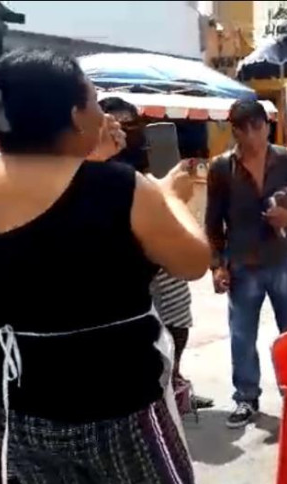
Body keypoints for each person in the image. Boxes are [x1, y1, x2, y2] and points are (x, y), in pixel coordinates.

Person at [0, 48, 208, 484]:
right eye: (93, 102)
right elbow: (194, 262)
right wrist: (171, 198)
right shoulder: (120, 187)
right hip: (122, 408)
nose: (102, 114)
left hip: (28, 412)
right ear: (73, 114)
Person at [99, 96, 214, 412]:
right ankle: (159, 391)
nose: (122, 130)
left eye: (130, 123)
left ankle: (175, 382)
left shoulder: (142, 160)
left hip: (164, 250)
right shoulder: (94, 171)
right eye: (114, 122)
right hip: (129, 262)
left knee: (178, 319)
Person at [205, 98, 287, 429]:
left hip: (282, 261)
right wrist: (217, 265)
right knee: (241, 335)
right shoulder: (222, 167)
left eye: (258, 127)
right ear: (234, 131)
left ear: (267, 126)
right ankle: (246, 398)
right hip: (242, 263)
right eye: (244, 129)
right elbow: (212, 221)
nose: (252, 136)